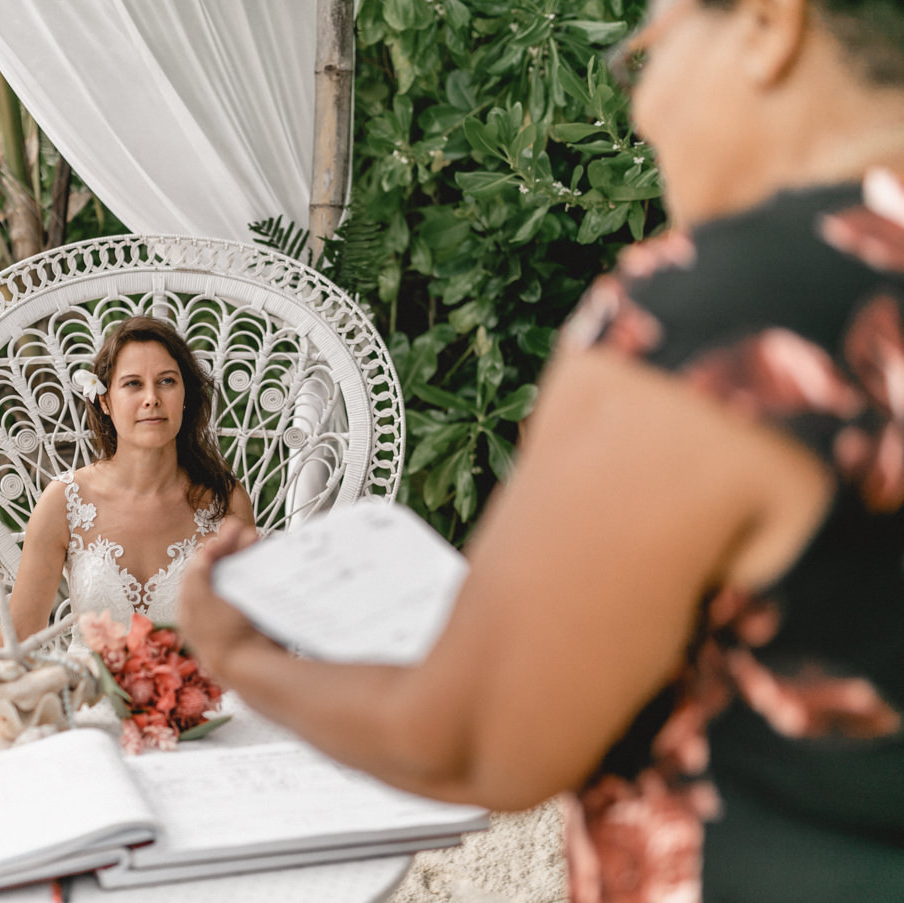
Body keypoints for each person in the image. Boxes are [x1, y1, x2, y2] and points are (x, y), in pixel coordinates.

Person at [178, 1, 904, 900]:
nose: (640, 113)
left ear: (764, 24)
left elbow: (477, 738)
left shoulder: (720, 324)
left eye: (645, 57)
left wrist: (237, 652)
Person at [0, 316, 254, 647]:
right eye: (132, 384)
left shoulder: (225, 502)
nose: (151, 398)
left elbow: (245, 634)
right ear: (105, 401)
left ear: (185, 396)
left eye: (167, 381)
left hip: (196, 695)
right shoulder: (64, 501)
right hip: (86, 694)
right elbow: (19, 630)